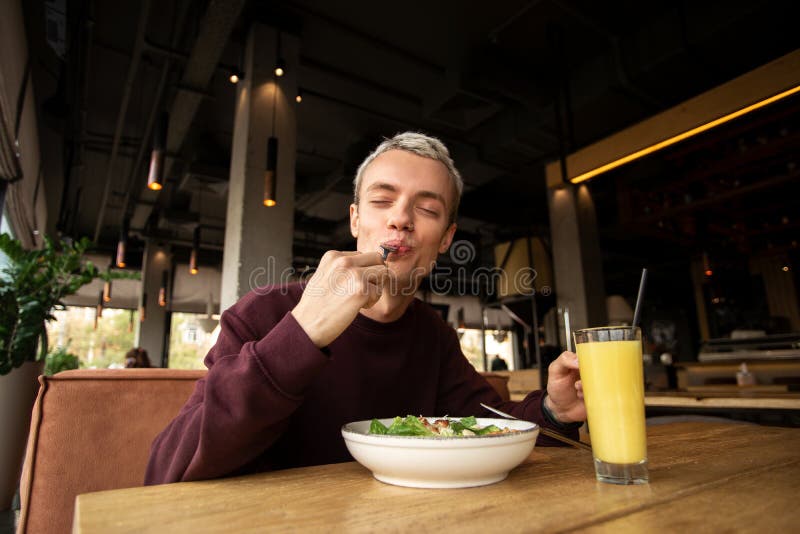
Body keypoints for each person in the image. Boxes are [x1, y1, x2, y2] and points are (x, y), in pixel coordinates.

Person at [145, 132, 586, 485]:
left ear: (446, 238)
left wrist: (554, 411)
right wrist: (302, 332)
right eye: (381, 200)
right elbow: (167, 471)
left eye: (427, 208)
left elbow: (488, 429)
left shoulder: (433, 336)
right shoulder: (263, 311)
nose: (401, 218)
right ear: (356, 219)